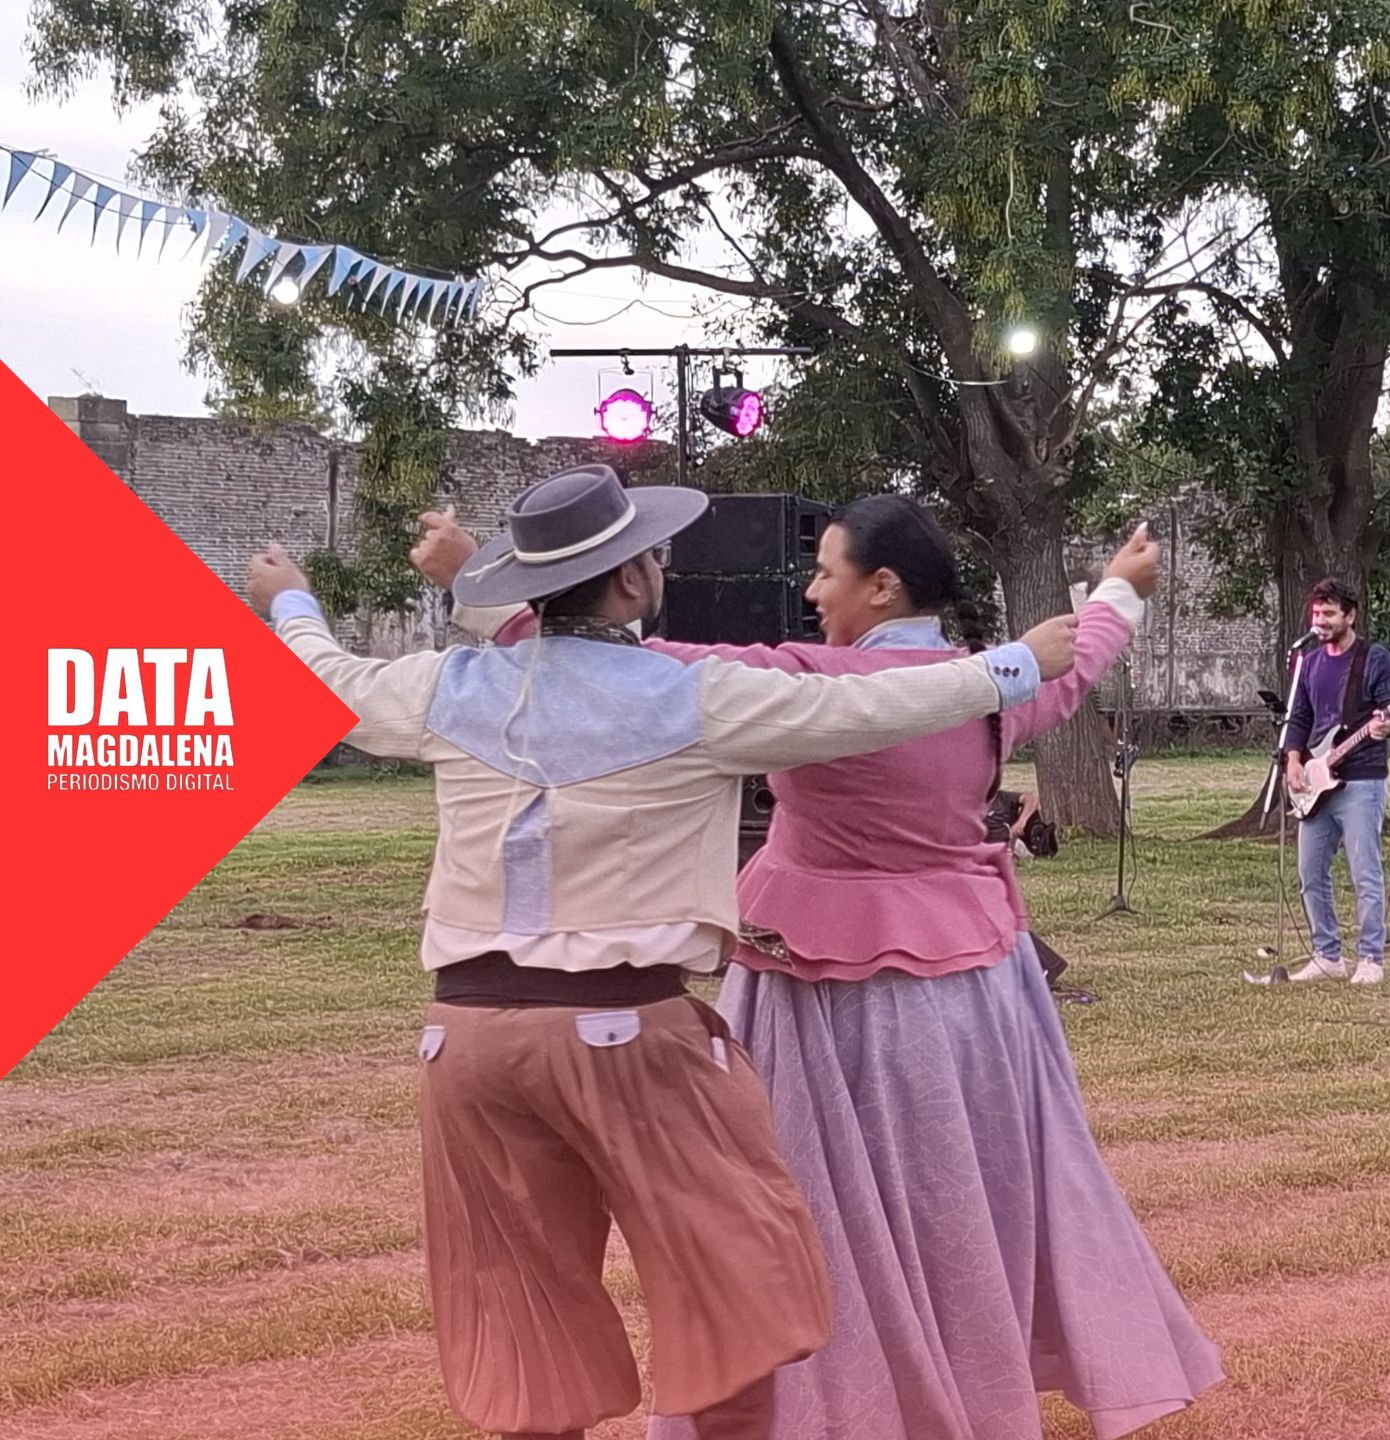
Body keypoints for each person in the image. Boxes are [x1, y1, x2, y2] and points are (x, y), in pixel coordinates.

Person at [251, 465, 1075, 1440]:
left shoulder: (443, 686)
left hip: (463, 1041)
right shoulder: (698, 699)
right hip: (625, 1031)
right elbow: (871, 711)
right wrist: (1017, 663)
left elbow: (327, 676)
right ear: (636, 580)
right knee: (741, 1294)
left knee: (522, 1310)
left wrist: (290, 599)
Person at [418, 498, 1221, 1439]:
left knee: (804, 1208)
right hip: (972, 990)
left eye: (826, 572)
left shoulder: (811, 678)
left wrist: (492, 586)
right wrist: (1122, 589)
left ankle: (836, 1401)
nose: (809, 589)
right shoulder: (993, 682)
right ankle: (953, 1385)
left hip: (822, 984)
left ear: (880, 589)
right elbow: (1079, 660)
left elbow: (619, 674)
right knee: (960, 1203)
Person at [1267, 578, 1390, 985]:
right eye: (1316, 614)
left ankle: (1371, 958)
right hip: (1315, 780)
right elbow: (1300, 718)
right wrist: (1293, 760)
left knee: (1365, 871)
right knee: (1310, 872)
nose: (1320, 621)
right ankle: (1327, 954)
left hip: (1362, 779)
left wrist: (1387, 725)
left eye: (1328, 614)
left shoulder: (1374, 658)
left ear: (1350, 615)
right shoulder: (1307, 662)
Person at [986, 786, 1055, 858]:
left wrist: (1021, 821)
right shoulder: (974, 803)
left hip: (1011, 839)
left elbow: (1032, 799)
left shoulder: (1003, 797)